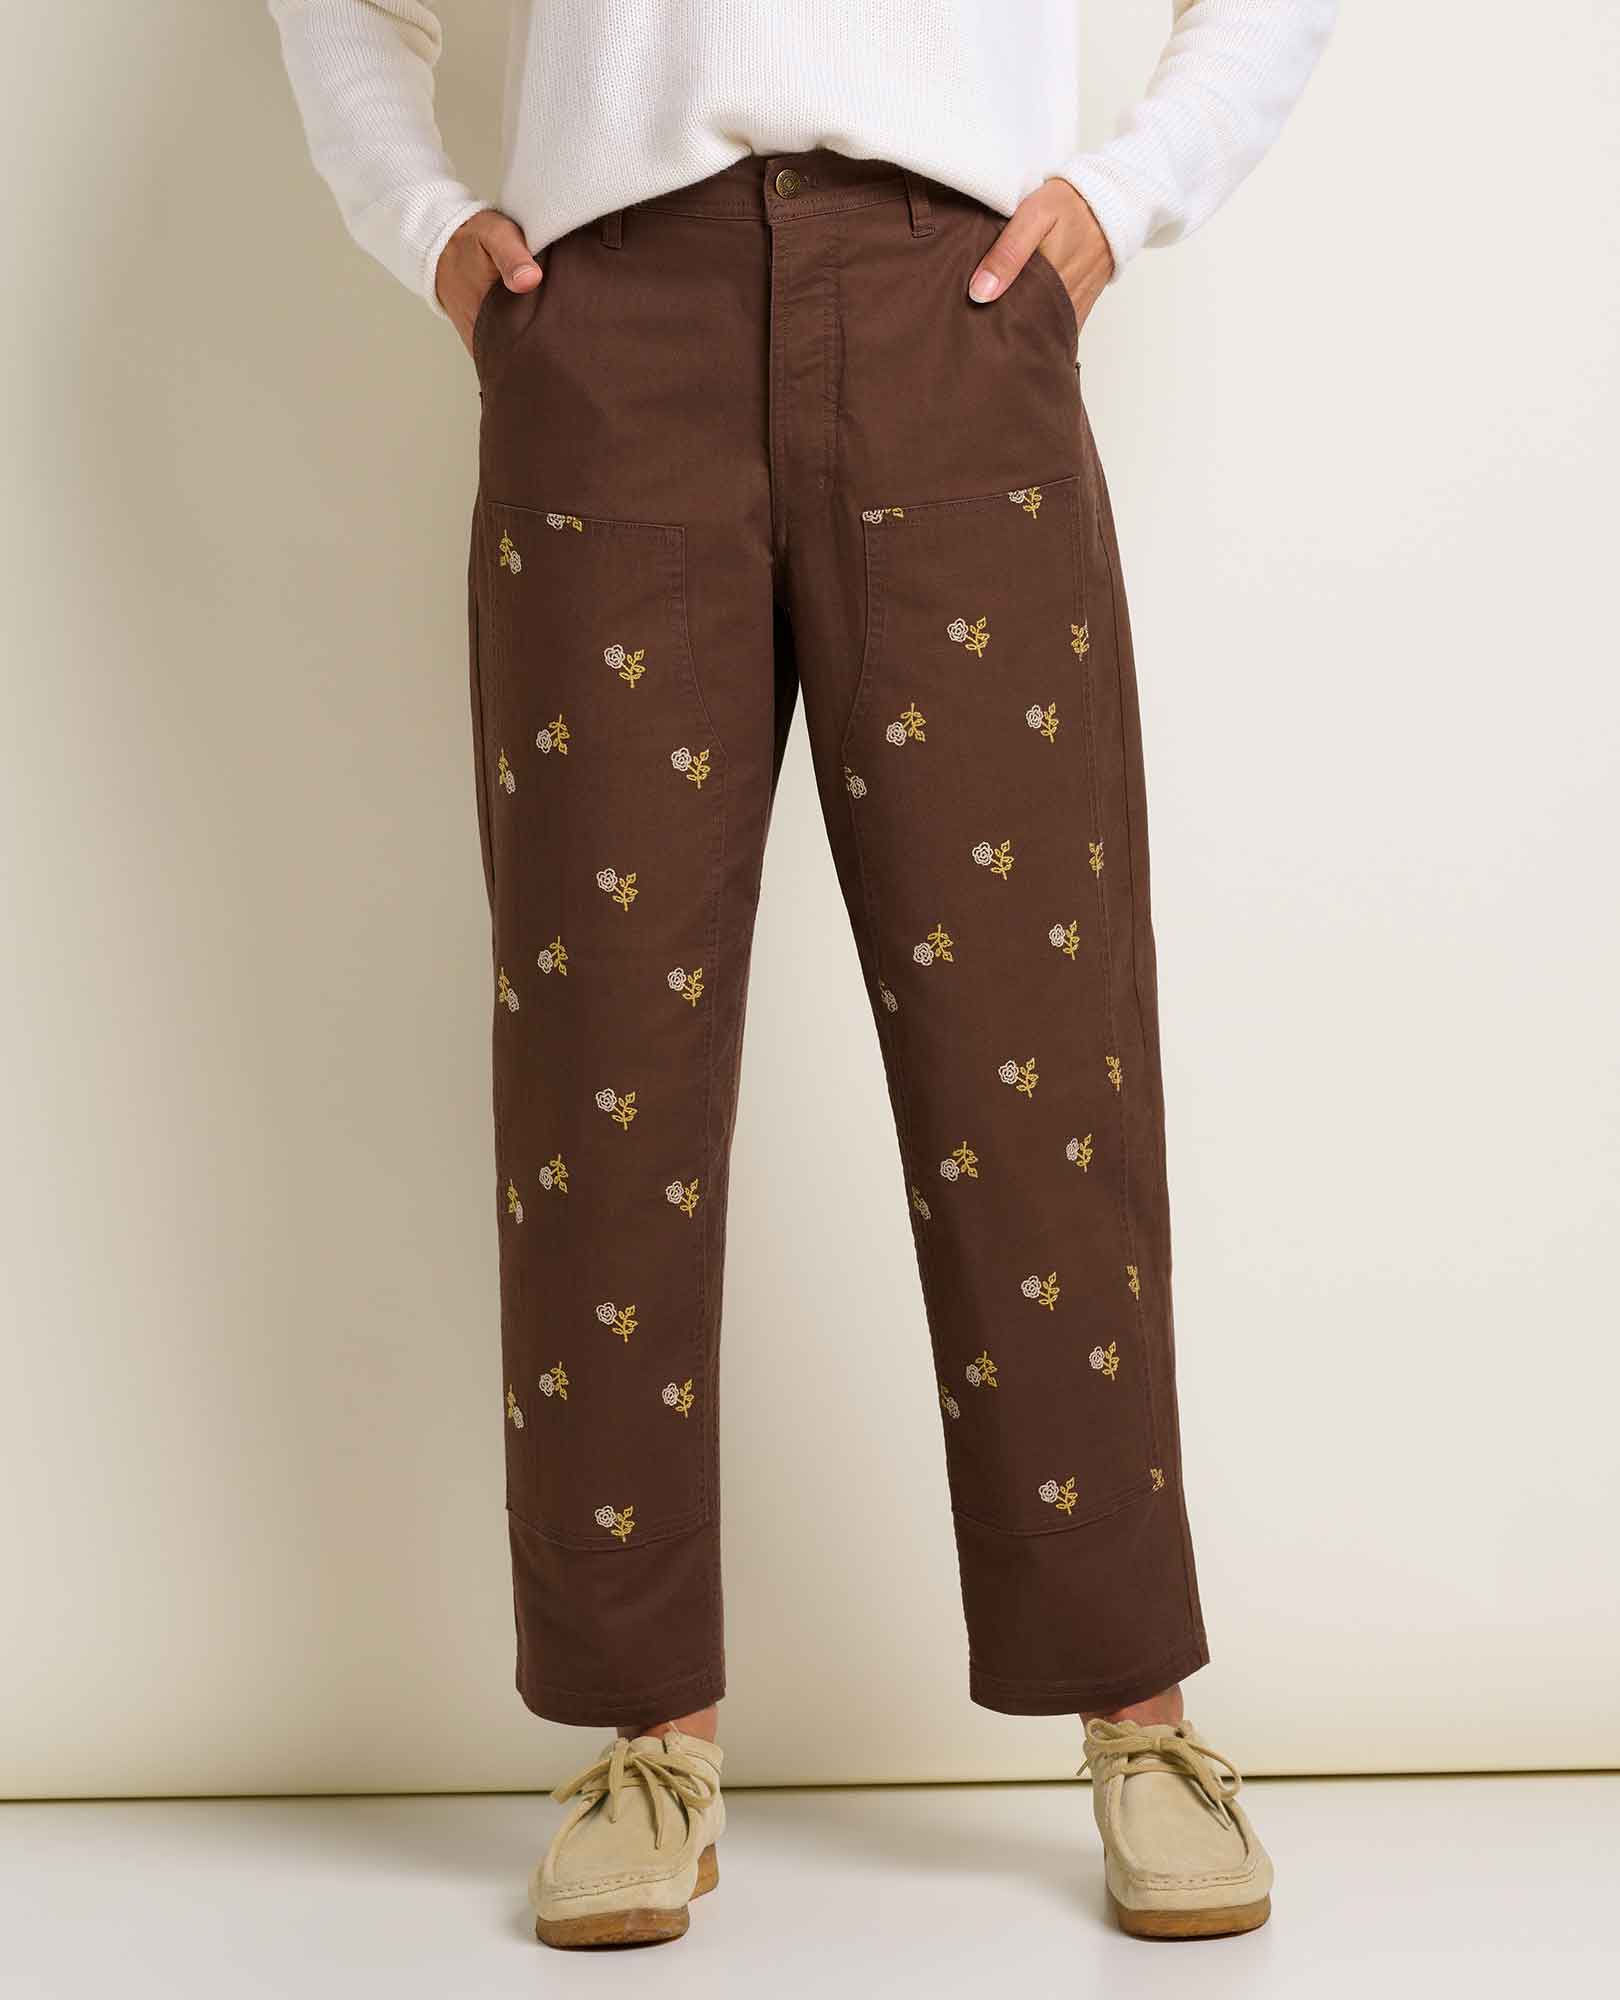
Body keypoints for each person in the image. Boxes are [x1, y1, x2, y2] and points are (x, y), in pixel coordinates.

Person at [270, 0, 1336, 1951]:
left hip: (959, 311)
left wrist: (1131, 192)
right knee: (604, 1061)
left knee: (1037, 1053)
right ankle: (645, 1740)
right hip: (611, 329)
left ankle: (1142, 1715)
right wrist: (423, 220)